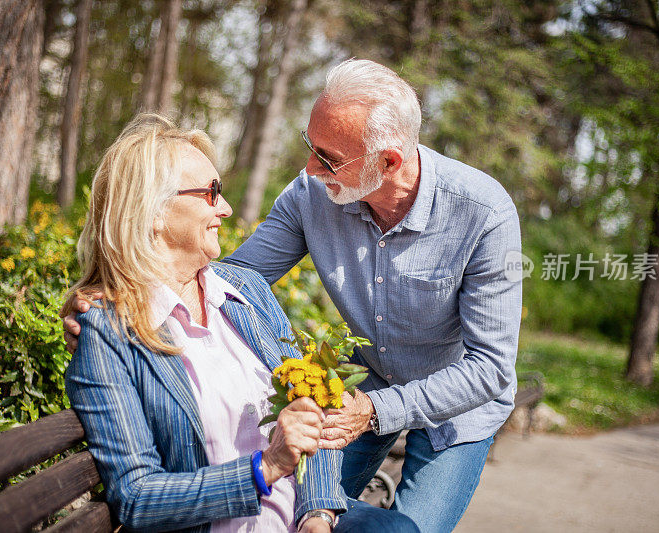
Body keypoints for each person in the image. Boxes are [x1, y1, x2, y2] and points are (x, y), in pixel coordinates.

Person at [65, 58, 521, 532]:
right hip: (369, 386)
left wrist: (370, 411)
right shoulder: (312, 191)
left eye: (328, 158)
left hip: (458, 404)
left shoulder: (484, 213)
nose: (309, 168)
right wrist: (121, 288)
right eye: (311, 146)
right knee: (304, 498)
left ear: (388, 162)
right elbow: (229, 278)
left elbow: (490, 366)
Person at [62, 113, 418, 533]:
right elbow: (138, 497)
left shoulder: (245, 291)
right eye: (211, 193)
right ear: (153, 212)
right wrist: (264, 469)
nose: (226, 209)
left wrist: (318, 516)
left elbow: (309, 411)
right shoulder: (109, 331)